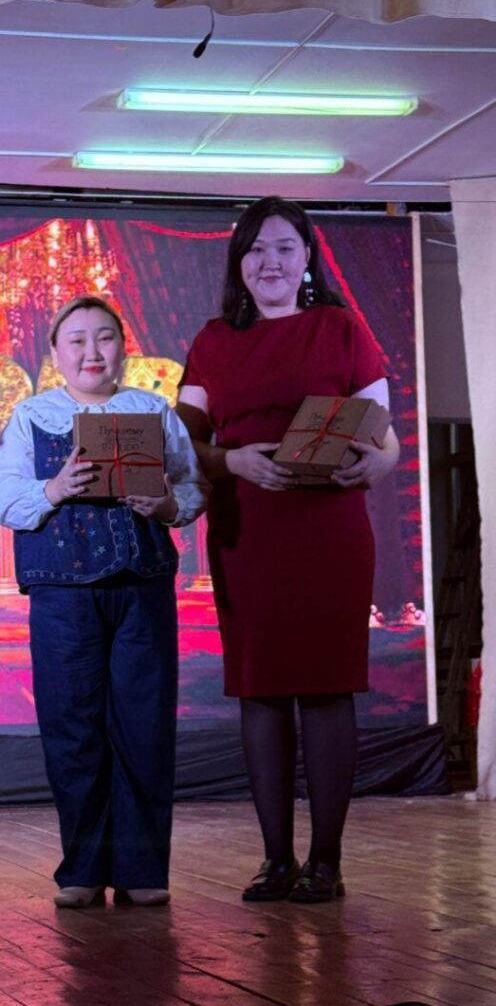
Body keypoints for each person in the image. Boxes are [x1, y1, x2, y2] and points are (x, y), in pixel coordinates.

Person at [177, 197, 400, 903]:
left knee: (328, 688)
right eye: (255, 249)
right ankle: (276, 860)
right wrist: (234, 462)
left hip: (329, 525)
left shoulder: (341, 328)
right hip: (248, 529)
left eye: (283, 247)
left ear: (306, 258)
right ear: (238, 263)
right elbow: (186, 444)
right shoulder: (213, 340)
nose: (269, 261)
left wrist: (379, 463)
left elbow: (383, 434)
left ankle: (326, 862)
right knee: (262, 691)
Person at [0, 295, 205, 909]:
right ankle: (82, 869)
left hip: (142, 586)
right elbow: (1, 497)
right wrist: (54, 489)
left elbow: (191, 485)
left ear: (123, 349)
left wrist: (167, 505)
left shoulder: (152, 410)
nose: (91, 351)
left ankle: (141, 869)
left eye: (104, 338)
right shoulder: (32, 415)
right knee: (73, 727)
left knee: (144, 724)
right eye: (76, 340)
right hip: (63, 593)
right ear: (55, 354)